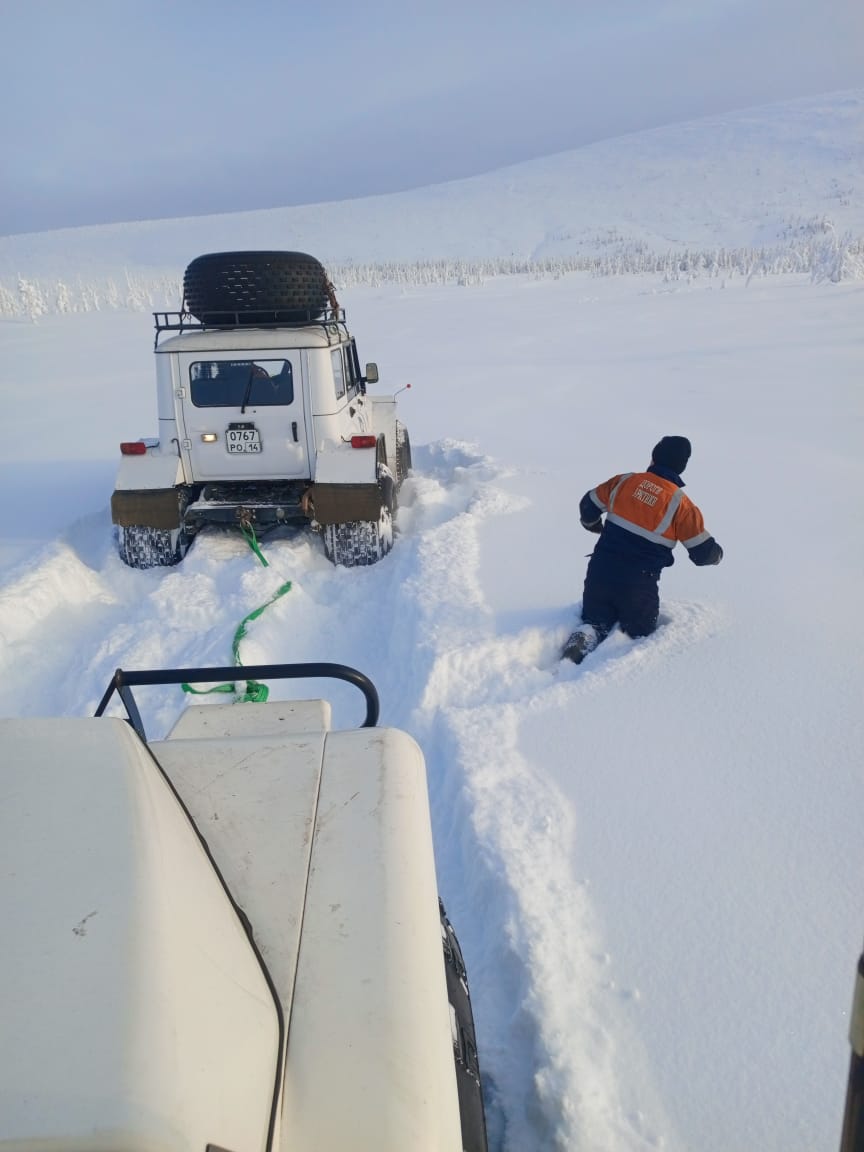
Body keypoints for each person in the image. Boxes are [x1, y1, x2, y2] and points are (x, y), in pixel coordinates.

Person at [563, 435, 723, 663]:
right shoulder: (681, 505)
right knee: (637, 634)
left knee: (595, 619)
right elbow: (703, 554)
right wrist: (718, 555)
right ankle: (621, 671)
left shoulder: (624, 481)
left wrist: (593, 526)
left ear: (653, 457)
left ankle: (585, 635)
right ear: (682, 466)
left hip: (600, 572)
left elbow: (587, 505)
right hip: (638, 587)